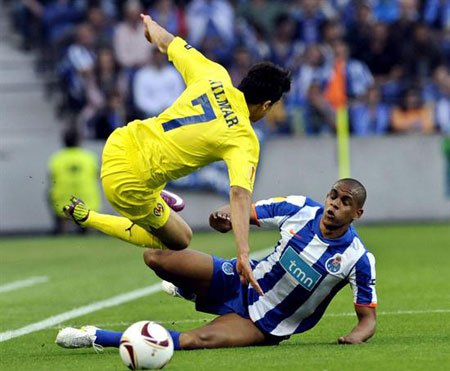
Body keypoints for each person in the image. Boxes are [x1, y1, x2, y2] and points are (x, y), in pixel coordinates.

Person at [63, 13, 291, 295]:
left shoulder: (214, 75)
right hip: (128, 183)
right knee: (180, 239)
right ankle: (90, 217)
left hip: (121, 140)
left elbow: (167, 41)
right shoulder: (244, 137)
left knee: (164, 164)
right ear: (266, 105)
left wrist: (150, 24)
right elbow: (240, 196)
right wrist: (243, 253)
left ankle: (159, 192)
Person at [57, 178, 377, 350]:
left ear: (357, 214)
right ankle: (194, 292)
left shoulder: (357, 259)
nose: (334, 204)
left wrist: (356, 336)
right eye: (333, 195)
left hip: (263, 322)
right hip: (239, 279)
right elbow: (243, 211)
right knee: (156, 258)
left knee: (197, 340)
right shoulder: (300, 209)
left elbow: (367, 319)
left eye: (345, 202)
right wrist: (224, 216)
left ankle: (95, 336)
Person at [48, 128, 101, 234]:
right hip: (87, 200)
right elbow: (98, 176)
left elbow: (51, 178)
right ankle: (87, 231)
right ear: (79, 140)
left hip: (63, 201)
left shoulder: (56, 158)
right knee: (88, 221)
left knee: (51, 195)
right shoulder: (89, 157)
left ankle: (60, 230)